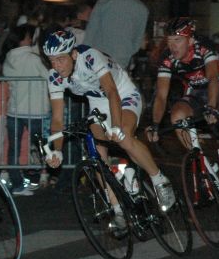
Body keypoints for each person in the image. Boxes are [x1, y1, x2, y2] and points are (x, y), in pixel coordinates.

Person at [41, 28, 177, 228]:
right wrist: (58, 151)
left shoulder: (90, 57)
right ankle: (118, 208)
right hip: (98, 104)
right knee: (95, 152)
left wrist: (115, 127)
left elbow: (112, 92)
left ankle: (159, 180)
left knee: (123, 137)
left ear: (73, 54)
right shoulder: (54, 76)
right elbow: (58, 120)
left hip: (123, 95)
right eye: (51, 60)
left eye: (60, 59)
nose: (56, 66)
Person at [147, 17, 219, 229]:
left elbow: (213, 79)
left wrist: (211, 107)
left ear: (190, 41)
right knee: (177, 115)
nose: (172, 46)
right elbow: (161, 96)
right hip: (194, 95)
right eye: (170, 41)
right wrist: (154, 124)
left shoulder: (204, 48)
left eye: (178, 41)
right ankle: (200, 161)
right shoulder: (167, 58)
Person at [2, 24, 51, 195]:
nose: (31, 39)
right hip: (35, 110)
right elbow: (49, 77)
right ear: (24, 39)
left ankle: (17, 183)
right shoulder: (33, 59)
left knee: (13, 148)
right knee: (41, 145)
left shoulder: (9, 57)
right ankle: (43, 174)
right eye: (29, 36)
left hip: (14, 109)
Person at [83, 0, 149, 70]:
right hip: (121, 63)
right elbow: (137, 43)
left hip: (96, 61)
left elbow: (90, 35)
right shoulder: (142, 9)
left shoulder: (103, 2)